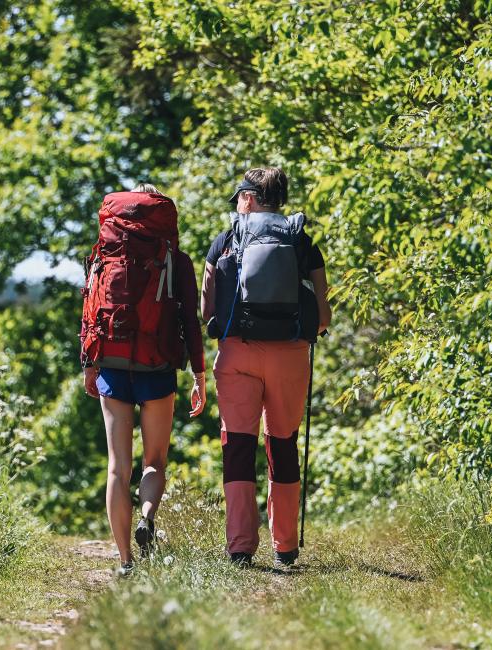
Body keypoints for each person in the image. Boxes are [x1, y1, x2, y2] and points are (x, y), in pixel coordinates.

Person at [202, 167, 330, 569]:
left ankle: (241, 547)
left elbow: (206, 310)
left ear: (249, 198)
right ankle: (285, 545)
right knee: (282, 444)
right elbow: (323, 316)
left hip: (237, 354)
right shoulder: (301, 242)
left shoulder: (225, 241)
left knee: (238, 446)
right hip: (290, 356)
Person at [80, 183, 208, 577]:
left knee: (118, 467)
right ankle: (147, 518)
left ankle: (124, 562)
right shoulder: (175, 259)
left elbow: (88, 306)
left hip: (113, 362)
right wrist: (199, 373)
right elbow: (191, 319)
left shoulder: (103, 253)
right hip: (158, 364)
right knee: (154, 461)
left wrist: (88, 361)